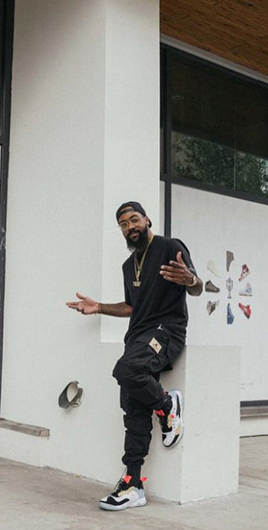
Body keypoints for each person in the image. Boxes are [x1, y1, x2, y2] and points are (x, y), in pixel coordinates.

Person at [66, 201, 202, 511]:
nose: (130, 226)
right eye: (124, 224)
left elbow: (196, 288)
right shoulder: (129, 266)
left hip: (166, 331)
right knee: (133, 411)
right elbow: (131, 307)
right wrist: (98, 307)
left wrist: (191, 280)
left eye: (134, 219)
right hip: (138, 337)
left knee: (126, 369)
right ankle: (133, 484)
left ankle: (168, 406)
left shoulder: (170, 247)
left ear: (147, 220)